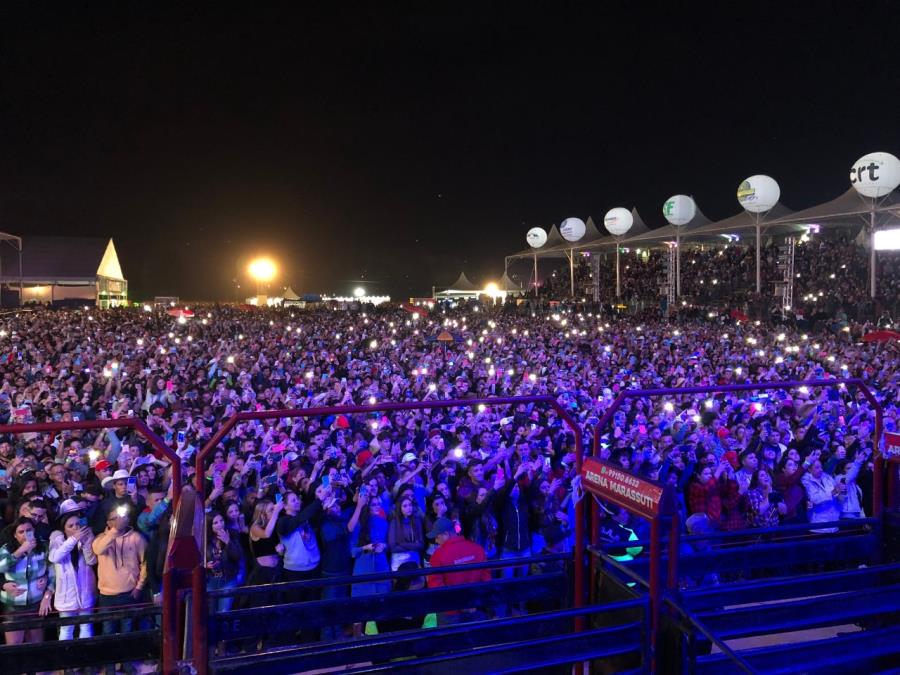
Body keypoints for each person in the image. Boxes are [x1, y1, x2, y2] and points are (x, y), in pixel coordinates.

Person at [92, 503, 147, 634]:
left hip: (129, 593)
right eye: (114, 518)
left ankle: (127, 654)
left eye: (121, 517)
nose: (119, 520)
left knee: (127, 630)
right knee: (108, 630)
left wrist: (139, 586)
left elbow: (145, 563)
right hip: (106, 596)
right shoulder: (100, 538)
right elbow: (98, 550)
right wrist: (115, 531)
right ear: (108, 523)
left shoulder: (136, 538)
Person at [426, 517, 490, 625]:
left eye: (437, 537)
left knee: (451, 640)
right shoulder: (477, 549)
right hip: (475, 607)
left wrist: (459, 605)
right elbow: (486, 580)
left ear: (446, 534)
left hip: (450, 612)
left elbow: (436, 589)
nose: (436, 541)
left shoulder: (437, 556)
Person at [48, 499, 97, 640]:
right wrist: (73, 540)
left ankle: (84, 659)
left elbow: (92, 561)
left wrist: (87, 542)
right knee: (66, 629)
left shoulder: (87, 536)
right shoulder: (57, 539)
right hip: (66, 595)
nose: (75, 527)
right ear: (64, 528)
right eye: (71, 526)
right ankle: (65, 660)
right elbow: (55, 557)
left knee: (86, 626)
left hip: (85, 591)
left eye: (77, 524)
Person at [0, 517, 54, 645]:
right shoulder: (6, 549)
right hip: (13, 605)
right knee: (14, 645)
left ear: (34, 530)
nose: (25, 534)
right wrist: (20, 552)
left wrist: (48, 594)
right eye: (21, 532)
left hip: (36, 603)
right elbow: (1, 567)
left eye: (29, 530)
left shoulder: (43, 547)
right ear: (14, 535)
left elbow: (52, 572)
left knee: (36, 644)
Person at [205, 510, 244, 613]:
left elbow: (238, 556)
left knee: (224, 611)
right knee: (211, 612)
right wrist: (205, 565)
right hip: (210, 580)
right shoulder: (204, 539)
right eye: (215, 523)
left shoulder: (232, 534)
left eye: (221, 521)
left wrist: (228, 542)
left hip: (228, 579)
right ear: (210, 525)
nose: (220, 524)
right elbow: (196, 560)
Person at [387, 494, 425, 570]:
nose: (408, 508)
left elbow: (421, 545)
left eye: (410, 505)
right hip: (399, 559)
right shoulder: (394, 522)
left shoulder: (416, 520)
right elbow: (393, 548)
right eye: (405, 506)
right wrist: (413, 546)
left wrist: (401, 544)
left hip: (414, 557)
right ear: (400, 508)